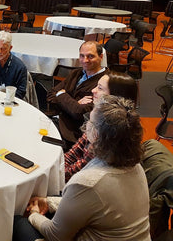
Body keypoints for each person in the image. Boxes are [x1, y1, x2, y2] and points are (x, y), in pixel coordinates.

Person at [14, 95, 150, 241]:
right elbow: (90, 202)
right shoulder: (135, 166)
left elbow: (55, 235)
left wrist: (34, 214)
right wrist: (49, 202)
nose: (86, 126)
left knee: (18, 222)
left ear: (96, 135)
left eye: (89, 121)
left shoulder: (89, 181)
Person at [64, 71, 138, 182]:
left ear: (114, 96)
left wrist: (58, 172)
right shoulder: (98, 116)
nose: (93, 90)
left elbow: (77, 173)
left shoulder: (109, 133)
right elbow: (75, 151)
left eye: (100, 88)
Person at [47, 41, 106, 146]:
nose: (85, 60)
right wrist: (74, 103)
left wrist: (62, 95)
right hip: (55, 118)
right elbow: (50, 95)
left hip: (71, 133)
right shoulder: (76, 73)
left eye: (90, 56)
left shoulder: (104, 83)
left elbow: (79, 113)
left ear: (101, 57)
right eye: (82, 56)